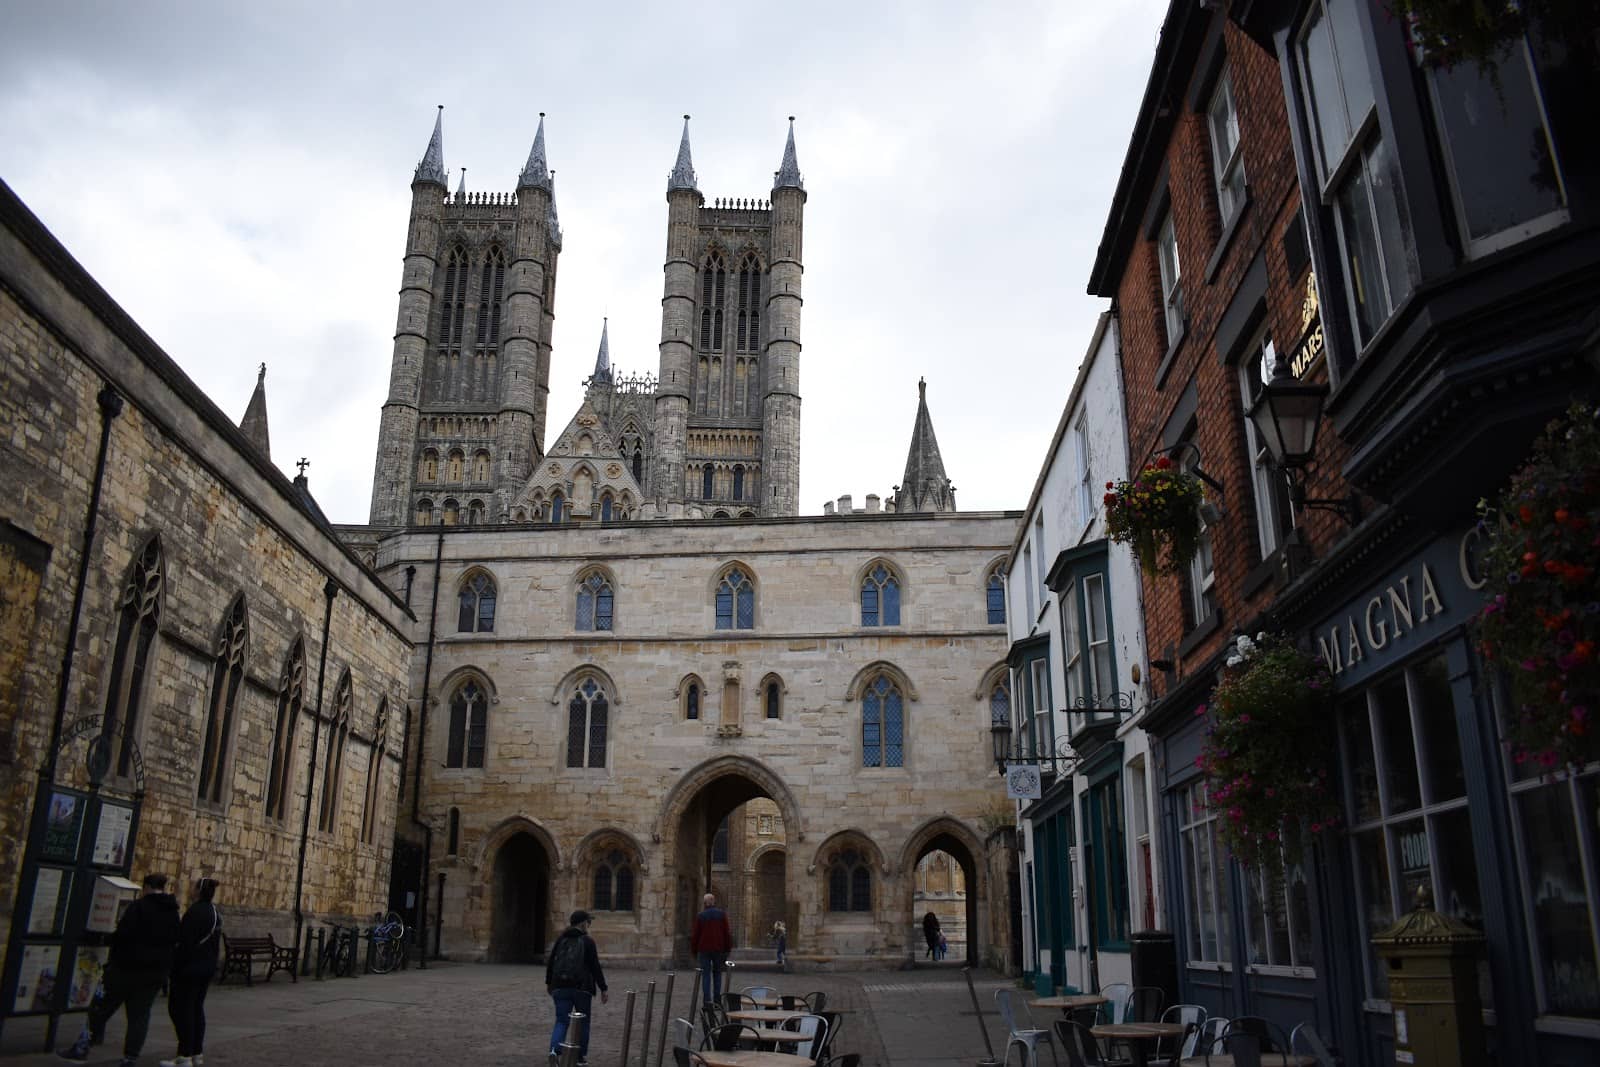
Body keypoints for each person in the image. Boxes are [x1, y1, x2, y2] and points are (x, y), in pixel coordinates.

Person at [60, 872, 181, 1066]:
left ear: (147, 887)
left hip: (125, 969)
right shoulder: (172, 912)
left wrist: (102, 940)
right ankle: (130, 1057)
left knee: (101, 1008)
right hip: (154, 972)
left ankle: (82, 1046)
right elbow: (175, 940)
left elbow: (123, 935)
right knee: (139, 1016)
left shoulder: (138, 907)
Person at [160, 877, 222, 1067]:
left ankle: (184, 1055)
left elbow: (185, 943)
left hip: (189, 969)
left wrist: (174, 966)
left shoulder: (194, 912)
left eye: (194, 886)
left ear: (198, 891)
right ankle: (196, 1053)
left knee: (181, 1009)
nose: (191, 889)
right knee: (196, 1009)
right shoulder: (214, 912)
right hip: (206, 969)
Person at [546, 909, 608, 1066]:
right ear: (582, 923)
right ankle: (580, 1057)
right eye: (588, 922)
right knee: (583, 1023)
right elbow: (595, 966)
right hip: (582, 988)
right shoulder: (587, 941)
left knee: (561, 1021)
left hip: (560, 986)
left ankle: (554, 1051)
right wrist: (603, 988)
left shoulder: (561, 939)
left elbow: (552, 962)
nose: (589, 925)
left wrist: (549, 983)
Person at [690, 892, 733, 1005]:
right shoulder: (721, 915)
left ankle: (707, 1000)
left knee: (706, 975)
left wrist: (694, 950)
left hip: (704, 949)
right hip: (718, 949)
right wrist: (727, 948)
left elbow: (696, 935)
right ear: (714, 902)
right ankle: (717, 1000)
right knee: (717, 974)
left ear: (705, 903)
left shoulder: (701, 916)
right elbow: (726, 933)